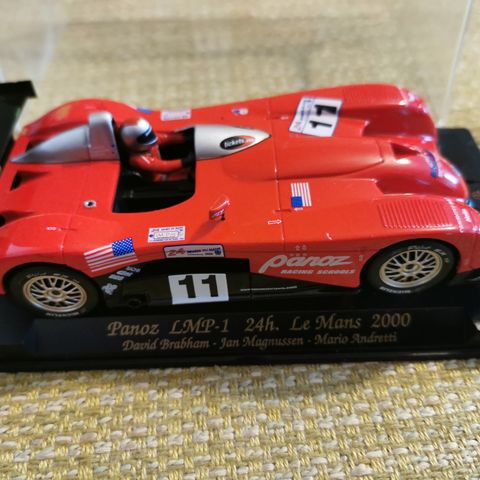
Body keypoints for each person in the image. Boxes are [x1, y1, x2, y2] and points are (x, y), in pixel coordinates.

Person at [120, 117, 191, 182]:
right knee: (190, 176)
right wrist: (186, 161)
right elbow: (163, 166)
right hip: (159, 179)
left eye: (150, 133)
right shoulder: (138, 159)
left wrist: (185, 137)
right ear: (131, 141)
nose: (151, 137)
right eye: (146, 137)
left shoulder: (148, 140)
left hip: (166, 170)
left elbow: (165, 138)